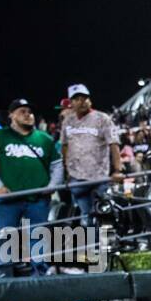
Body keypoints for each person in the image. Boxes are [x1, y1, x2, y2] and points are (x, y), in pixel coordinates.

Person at [0, 99, 63, 273]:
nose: (28, 114)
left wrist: (52, 185)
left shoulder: (44, 138)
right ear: (11, 115)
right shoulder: (0, 136)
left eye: (30, 112)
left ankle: (39, 279)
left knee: (38, 239)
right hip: (9, 199)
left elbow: (57, 164)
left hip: (38, 199)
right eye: (22, 111)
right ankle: (6, 280)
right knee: (5, 240)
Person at [59, 84, 122, 225]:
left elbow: (114, 144)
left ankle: (107, 246)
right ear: (71, 103)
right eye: (77, 99)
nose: (81, 101)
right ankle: (92, 246)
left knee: (105, 214)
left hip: (98, 176)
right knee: (86, 217)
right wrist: (66, 172)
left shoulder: (102, 118)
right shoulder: (68, 121)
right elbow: (64, 146)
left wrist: (117, 170)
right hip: (76, 177)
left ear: (90, 100)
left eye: (84, 98)